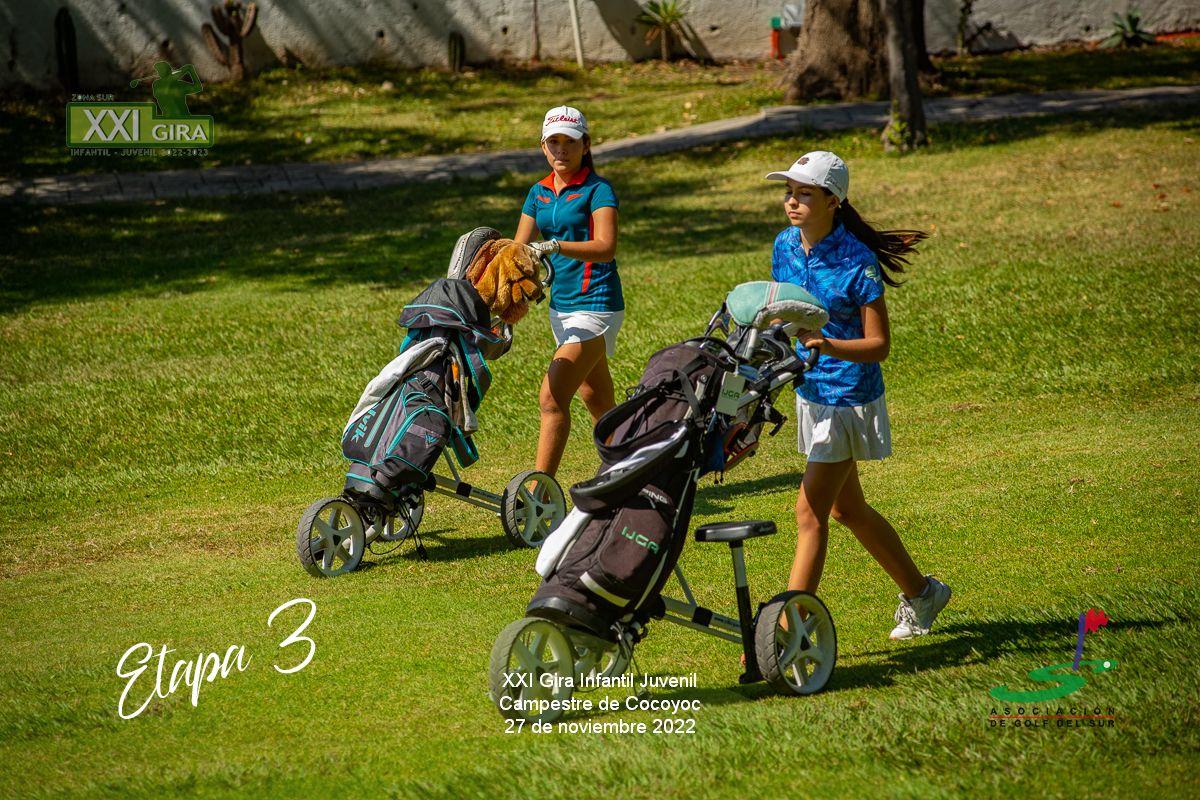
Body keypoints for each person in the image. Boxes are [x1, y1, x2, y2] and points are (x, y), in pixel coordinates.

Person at [765, 150, 951, 640]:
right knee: (846, 510)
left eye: (805, 193)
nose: (792, 202)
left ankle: (786, 633)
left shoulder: (858, 262)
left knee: (810, 514)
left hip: (848, 397)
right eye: (789, 192)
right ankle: (923, 593)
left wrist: (827, 344)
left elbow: (879, 345)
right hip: (810, 390)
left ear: (834, 201)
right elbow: (783, 307)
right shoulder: (784, 245)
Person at [514, 106, 624, 478]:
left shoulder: (598, 190)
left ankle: (539, 493)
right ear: (543, 147)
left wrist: (556, 246)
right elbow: (519, 250)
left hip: (596, 304)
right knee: (597, 398)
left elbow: (606, 247)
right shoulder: (538, 192)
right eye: (553, 142)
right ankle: (629, 468)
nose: (561, 149)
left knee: (552, 396)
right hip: (560, 307)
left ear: (585, 145)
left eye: (570, 142)